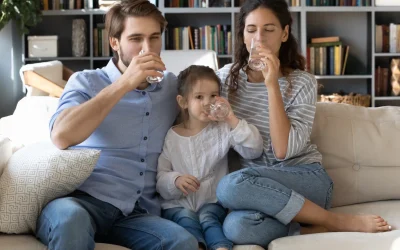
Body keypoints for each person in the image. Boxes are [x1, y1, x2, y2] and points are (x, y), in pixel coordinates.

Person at [215, 0, 392, 248]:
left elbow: (283, 151)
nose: (259, 39)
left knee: (230, 185)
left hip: (304, 178)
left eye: (269, 29)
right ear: (243, 35)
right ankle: (310, 226)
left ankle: (334, 220)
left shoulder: (302, 82)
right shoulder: (225, 80)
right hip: (259, 190)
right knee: (237, 227)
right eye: (251, 29)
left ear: (285, 33)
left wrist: (272, 84)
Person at [35, 1, 199, 250]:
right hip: (80, 203)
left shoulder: (172, 89)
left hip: (136, 213)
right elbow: (61, 135)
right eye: (136, 39)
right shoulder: (86, 82)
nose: (147, 48)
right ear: (114, 42)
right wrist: (124, 83)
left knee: (182, 242)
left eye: (154, 38)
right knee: (71, 220)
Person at [156, 65, 264, 250]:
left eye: (213, 95)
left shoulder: (222, 130)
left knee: (209, 218)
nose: (208, 102)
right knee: (186, 218)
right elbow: (161, 176)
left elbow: (254, 149)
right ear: (183, 102)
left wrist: (231, 119)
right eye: (199, 97)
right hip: (177, 204)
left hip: (212, 202)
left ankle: (221, 246)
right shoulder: (172, 136)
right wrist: (175, 180)